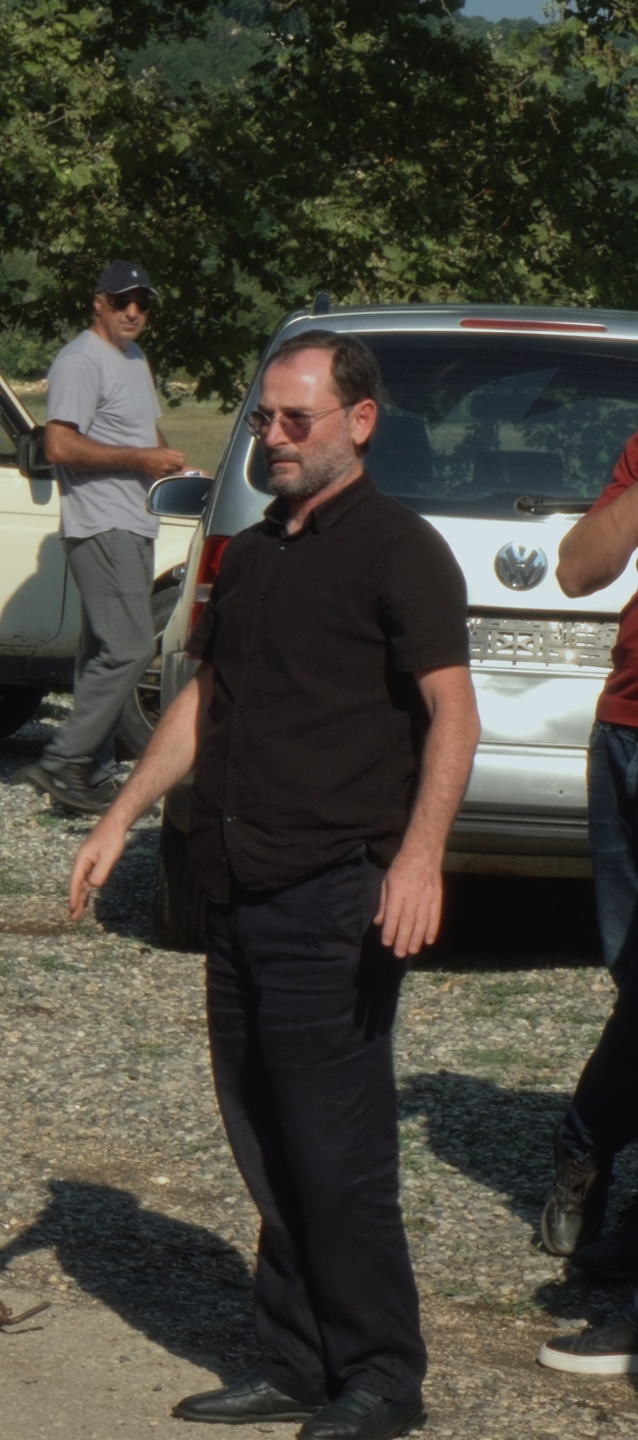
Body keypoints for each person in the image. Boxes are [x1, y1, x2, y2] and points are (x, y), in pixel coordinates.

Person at [68, 331, 473, 1440]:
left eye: (297, 419)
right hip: (237, 886)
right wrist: (119, 817)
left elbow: (452, 711)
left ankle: (382, 1376)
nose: (274, 437)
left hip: (334, 891)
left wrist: (420, 856)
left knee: (335, 1145)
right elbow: (206, 699)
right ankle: (296, 1361)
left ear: (358, 422)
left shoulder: (400, 552)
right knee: (260, 1128)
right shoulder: (249, 553)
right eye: (263, 419)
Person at [525, 425, 638, 1375]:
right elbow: (576, 571)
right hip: (628, 730)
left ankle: (588, 1143)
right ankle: (593, 1149)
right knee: (635, 980)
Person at [17, 261, 190, 815]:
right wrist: (143, 458)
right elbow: (59, 448)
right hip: (101, 522)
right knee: (133, 645)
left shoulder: (134, 357)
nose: (133, 312)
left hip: (135, 519)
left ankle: (85, 776)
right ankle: (63, 761)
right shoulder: (78, 361)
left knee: (99, 649)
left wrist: (174, 469)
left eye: (142, 302)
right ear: (98, 303)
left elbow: (145, 429)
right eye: (121, 302)